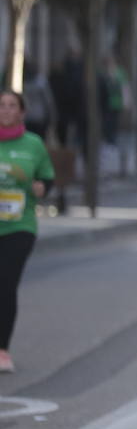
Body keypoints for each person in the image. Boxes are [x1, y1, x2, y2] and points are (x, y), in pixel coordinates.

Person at [0, 91, 53, 373]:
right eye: (1, 106)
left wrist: (42, 188)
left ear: (21, 113)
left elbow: (47, 176)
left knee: (5, 284)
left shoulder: (32, 144)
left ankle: (2, 349)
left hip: (20, 226)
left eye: (12, 106)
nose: (6, 111)